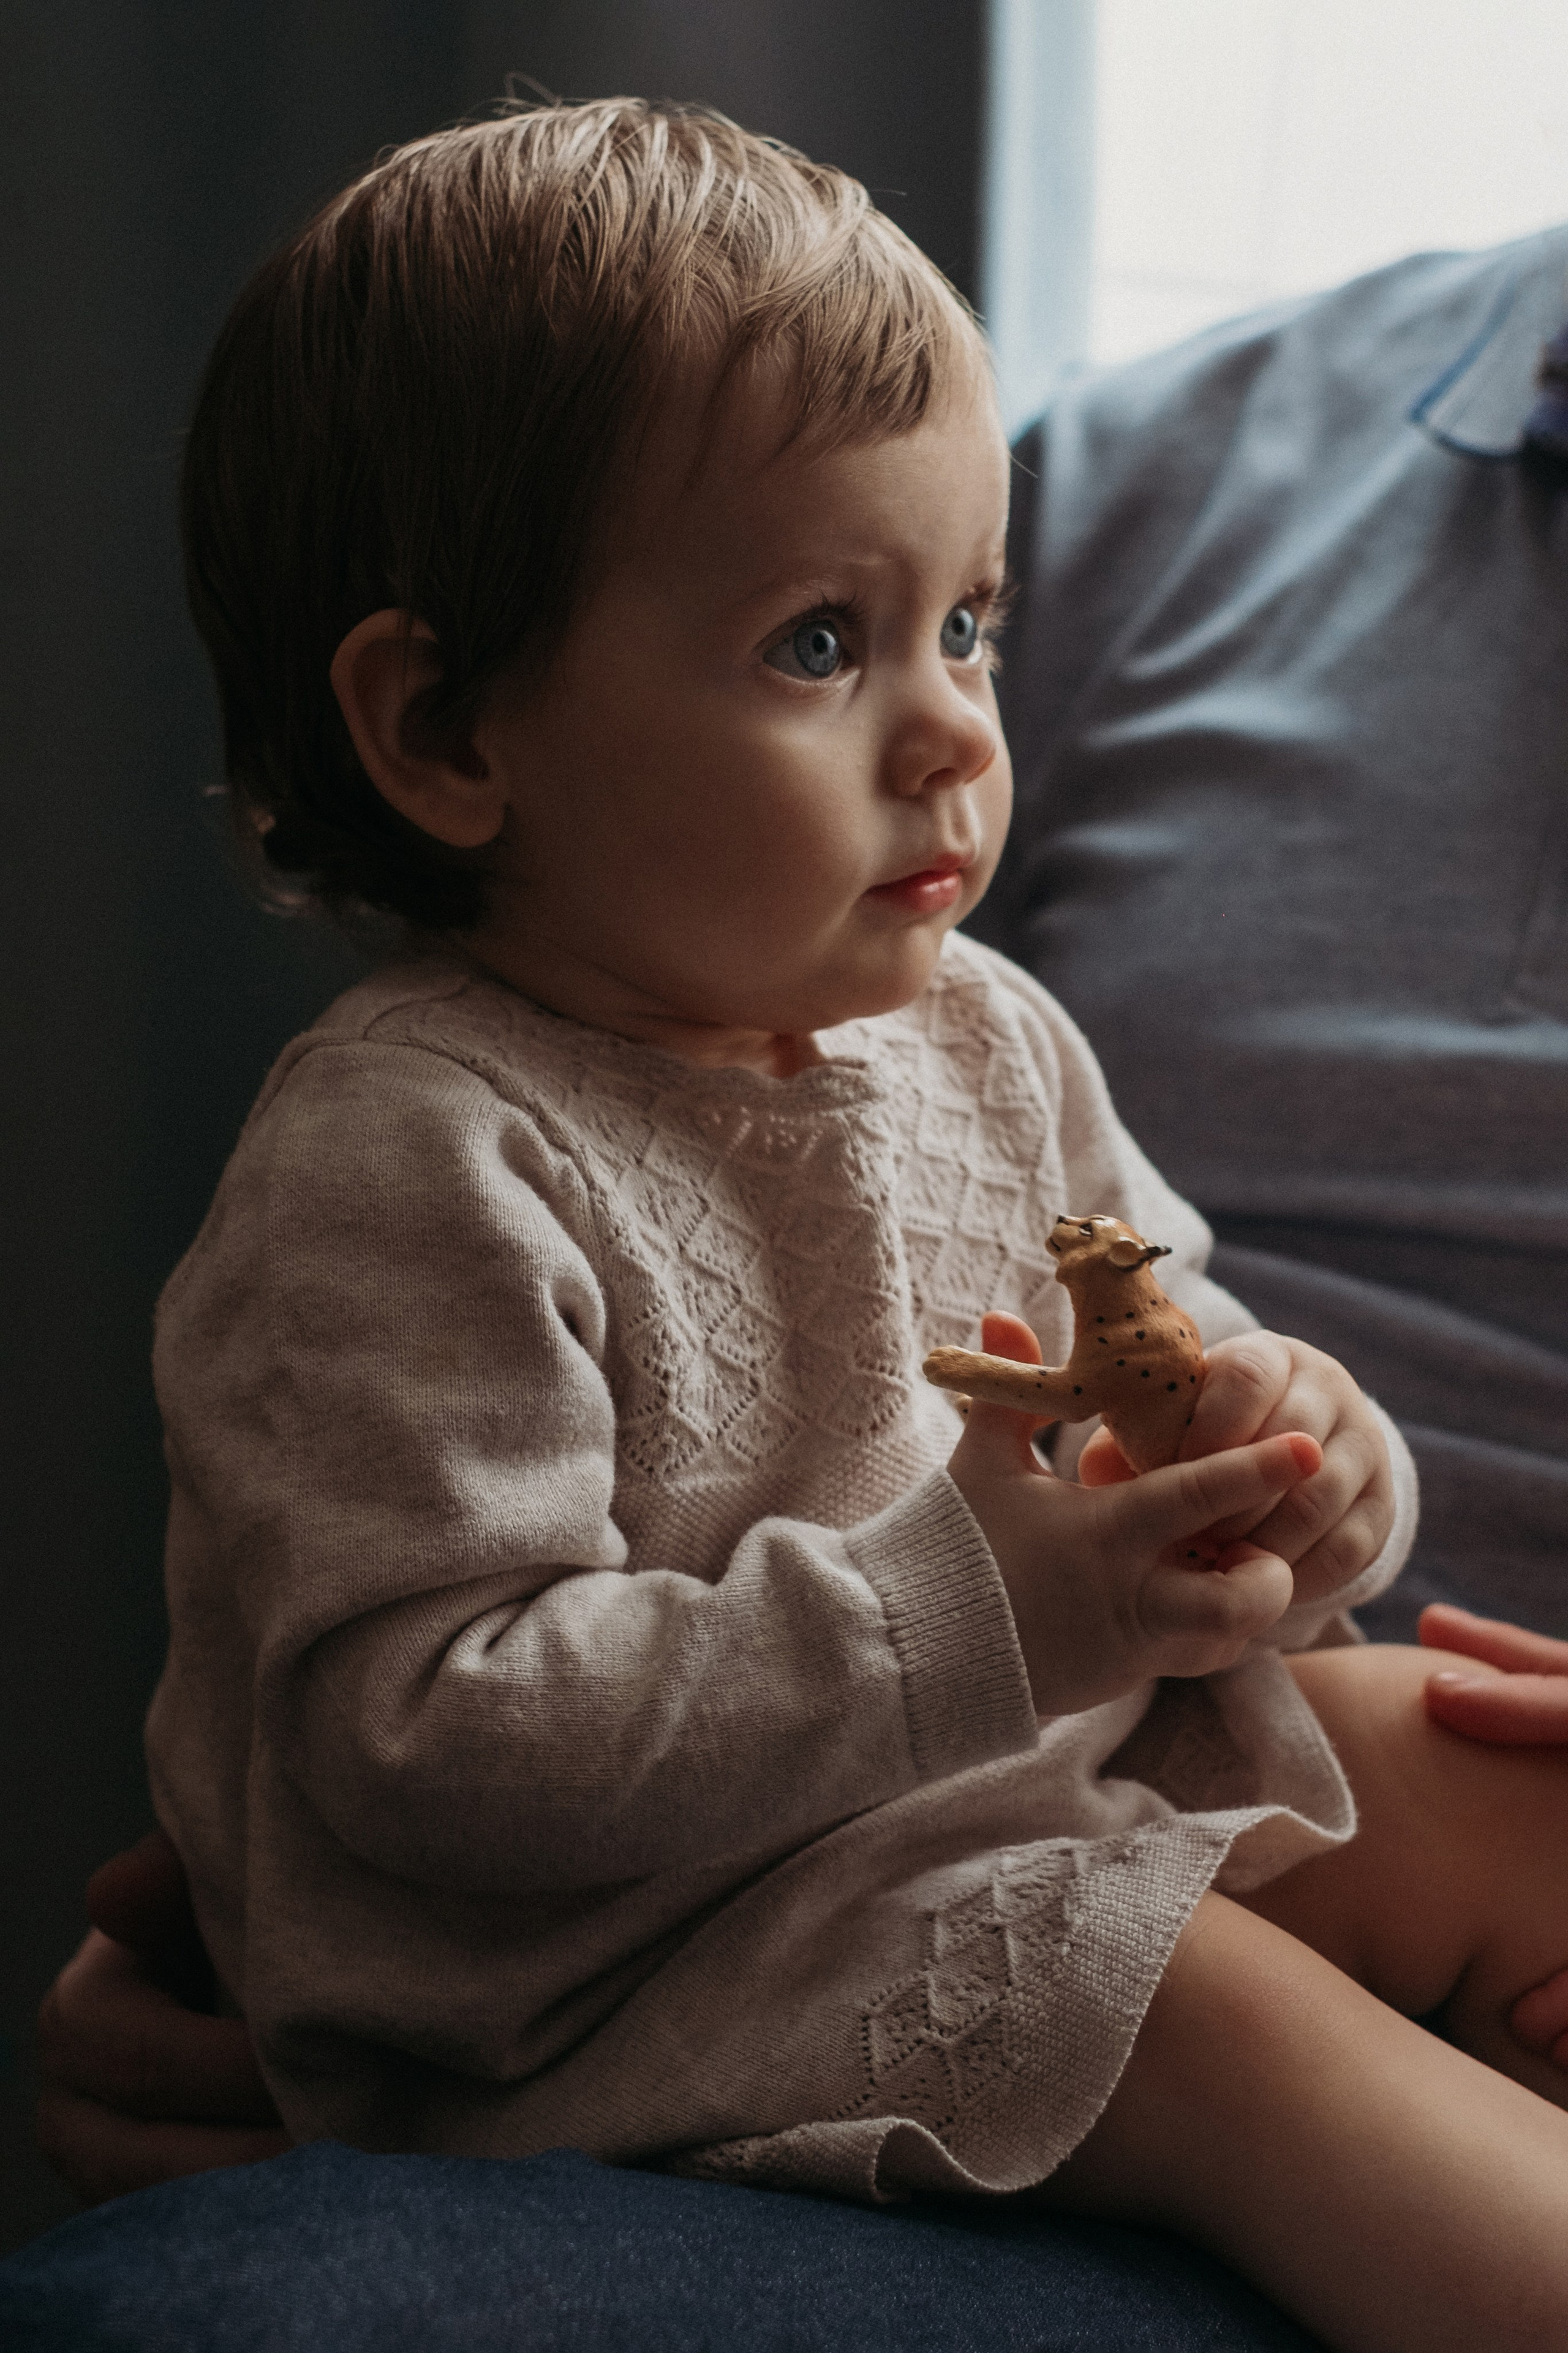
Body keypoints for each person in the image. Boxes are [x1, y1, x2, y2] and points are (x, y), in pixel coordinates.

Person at [20, 102, 1568, 2349]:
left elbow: (1183, 1446)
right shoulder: (413, 1161)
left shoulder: (990, 1040)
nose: (951, 732)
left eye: (970, 623)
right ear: (446, 727)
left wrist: (1300, 1474)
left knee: (1494, 1789)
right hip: (645, 1948)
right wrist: (991, 1606)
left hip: (992, 1802)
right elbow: (425, 1744)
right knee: (1210, 2016)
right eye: (825, 644)